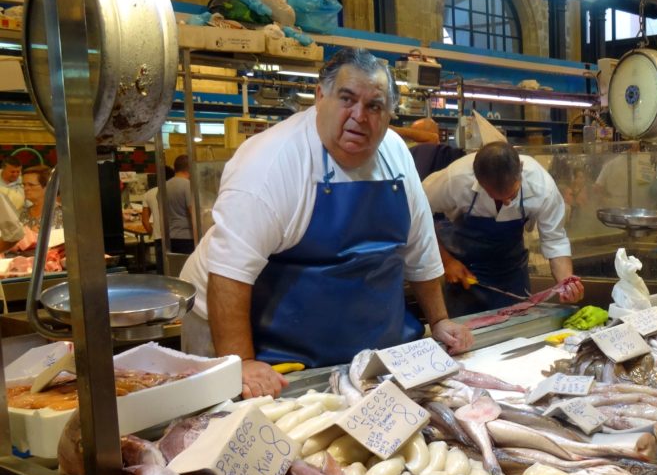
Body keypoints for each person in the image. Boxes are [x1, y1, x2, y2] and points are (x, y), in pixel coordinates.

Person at [180, 47, 473, 399]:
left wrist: (439, 321)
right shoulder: (271, 163)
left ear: (390, 112)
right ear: (320, 96)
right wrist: (240, 360)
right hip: (229, 325)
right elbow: (228, 273)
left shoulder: (395, 154)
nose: (359, 117)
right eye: (346, 99)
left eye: (374, 106)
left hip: (336, 340)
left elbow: (420, 247)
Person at [422, 140, 584, 317]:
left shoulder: (542, 186)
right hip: (464, 272)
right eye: (495, 197)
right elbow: (417, 216)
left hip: (511, 272)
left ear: (520, 172)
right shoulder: (456, 179)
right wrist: (446, 261)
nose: (506, 202)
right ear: (478, 179)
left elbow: (555, 240)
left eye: (512, 195)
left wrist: (566, 283)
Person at [140, 165, 173, 274]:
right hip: (175, 235)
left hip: (159, 236)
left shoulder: (148, 194)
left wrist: (152, 232)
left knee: (162, 270)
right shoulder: (173, 190)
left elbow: (145, 221)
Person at [165, 154, 195, 254]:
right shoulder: (187, 185)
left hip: (169, 237)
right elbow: (193, 213)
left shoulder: (164, 186)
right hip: (187, 237)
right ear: (190, 168)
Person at [19, 166, 60, 232]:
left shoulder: (62, 214)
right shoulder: (21, 214)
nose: (25, 188)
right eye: (24, 185)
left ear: (47, 187)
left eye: (31, 185)